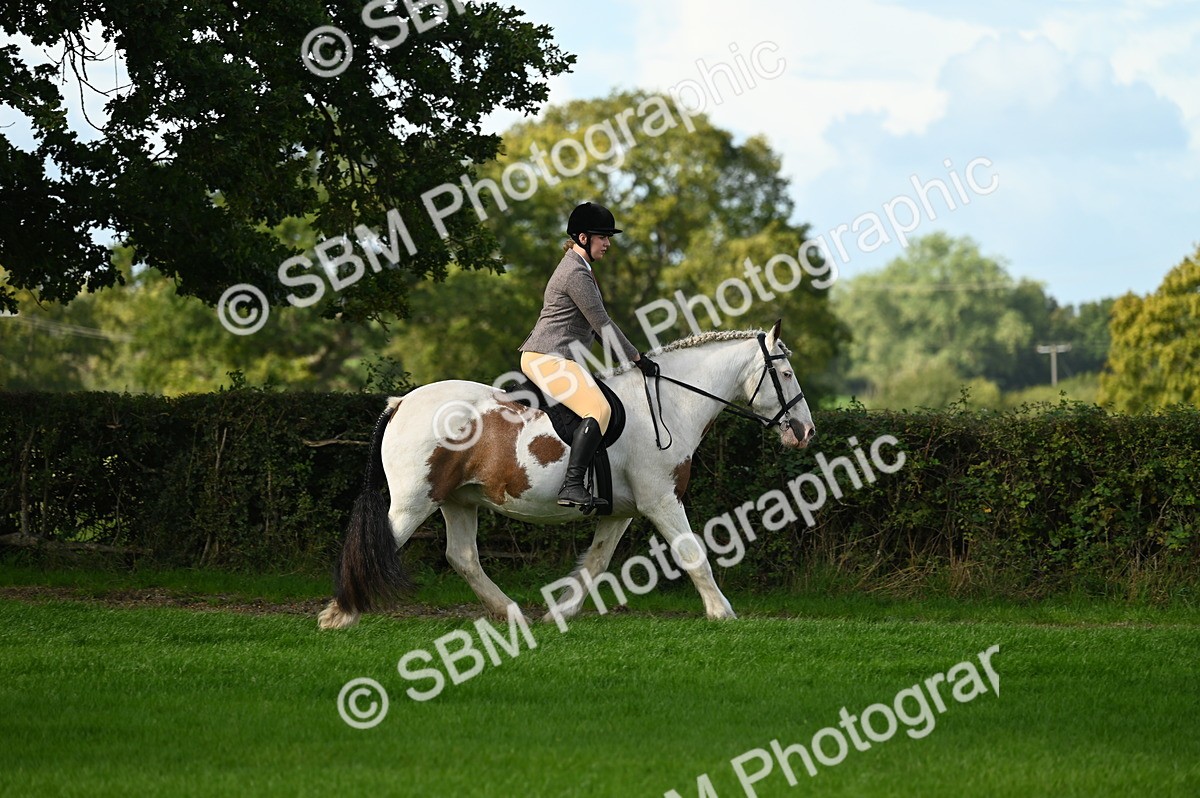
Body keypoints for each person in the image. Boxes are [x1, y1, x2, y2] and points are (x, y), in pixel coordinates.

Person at [518, 201, 658, 509]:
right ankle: (571, 485)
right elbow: (602, 324)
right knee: (599, 409)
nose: (608, 244)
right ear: (583, 238)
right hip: (547, 357)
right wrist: (637, 359)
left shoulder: (581, 268)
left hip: (556, 357)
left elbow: (596, 329)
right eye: (602, 237)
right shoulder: (576, 273)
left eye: (608, 238)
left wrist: (629, 359)